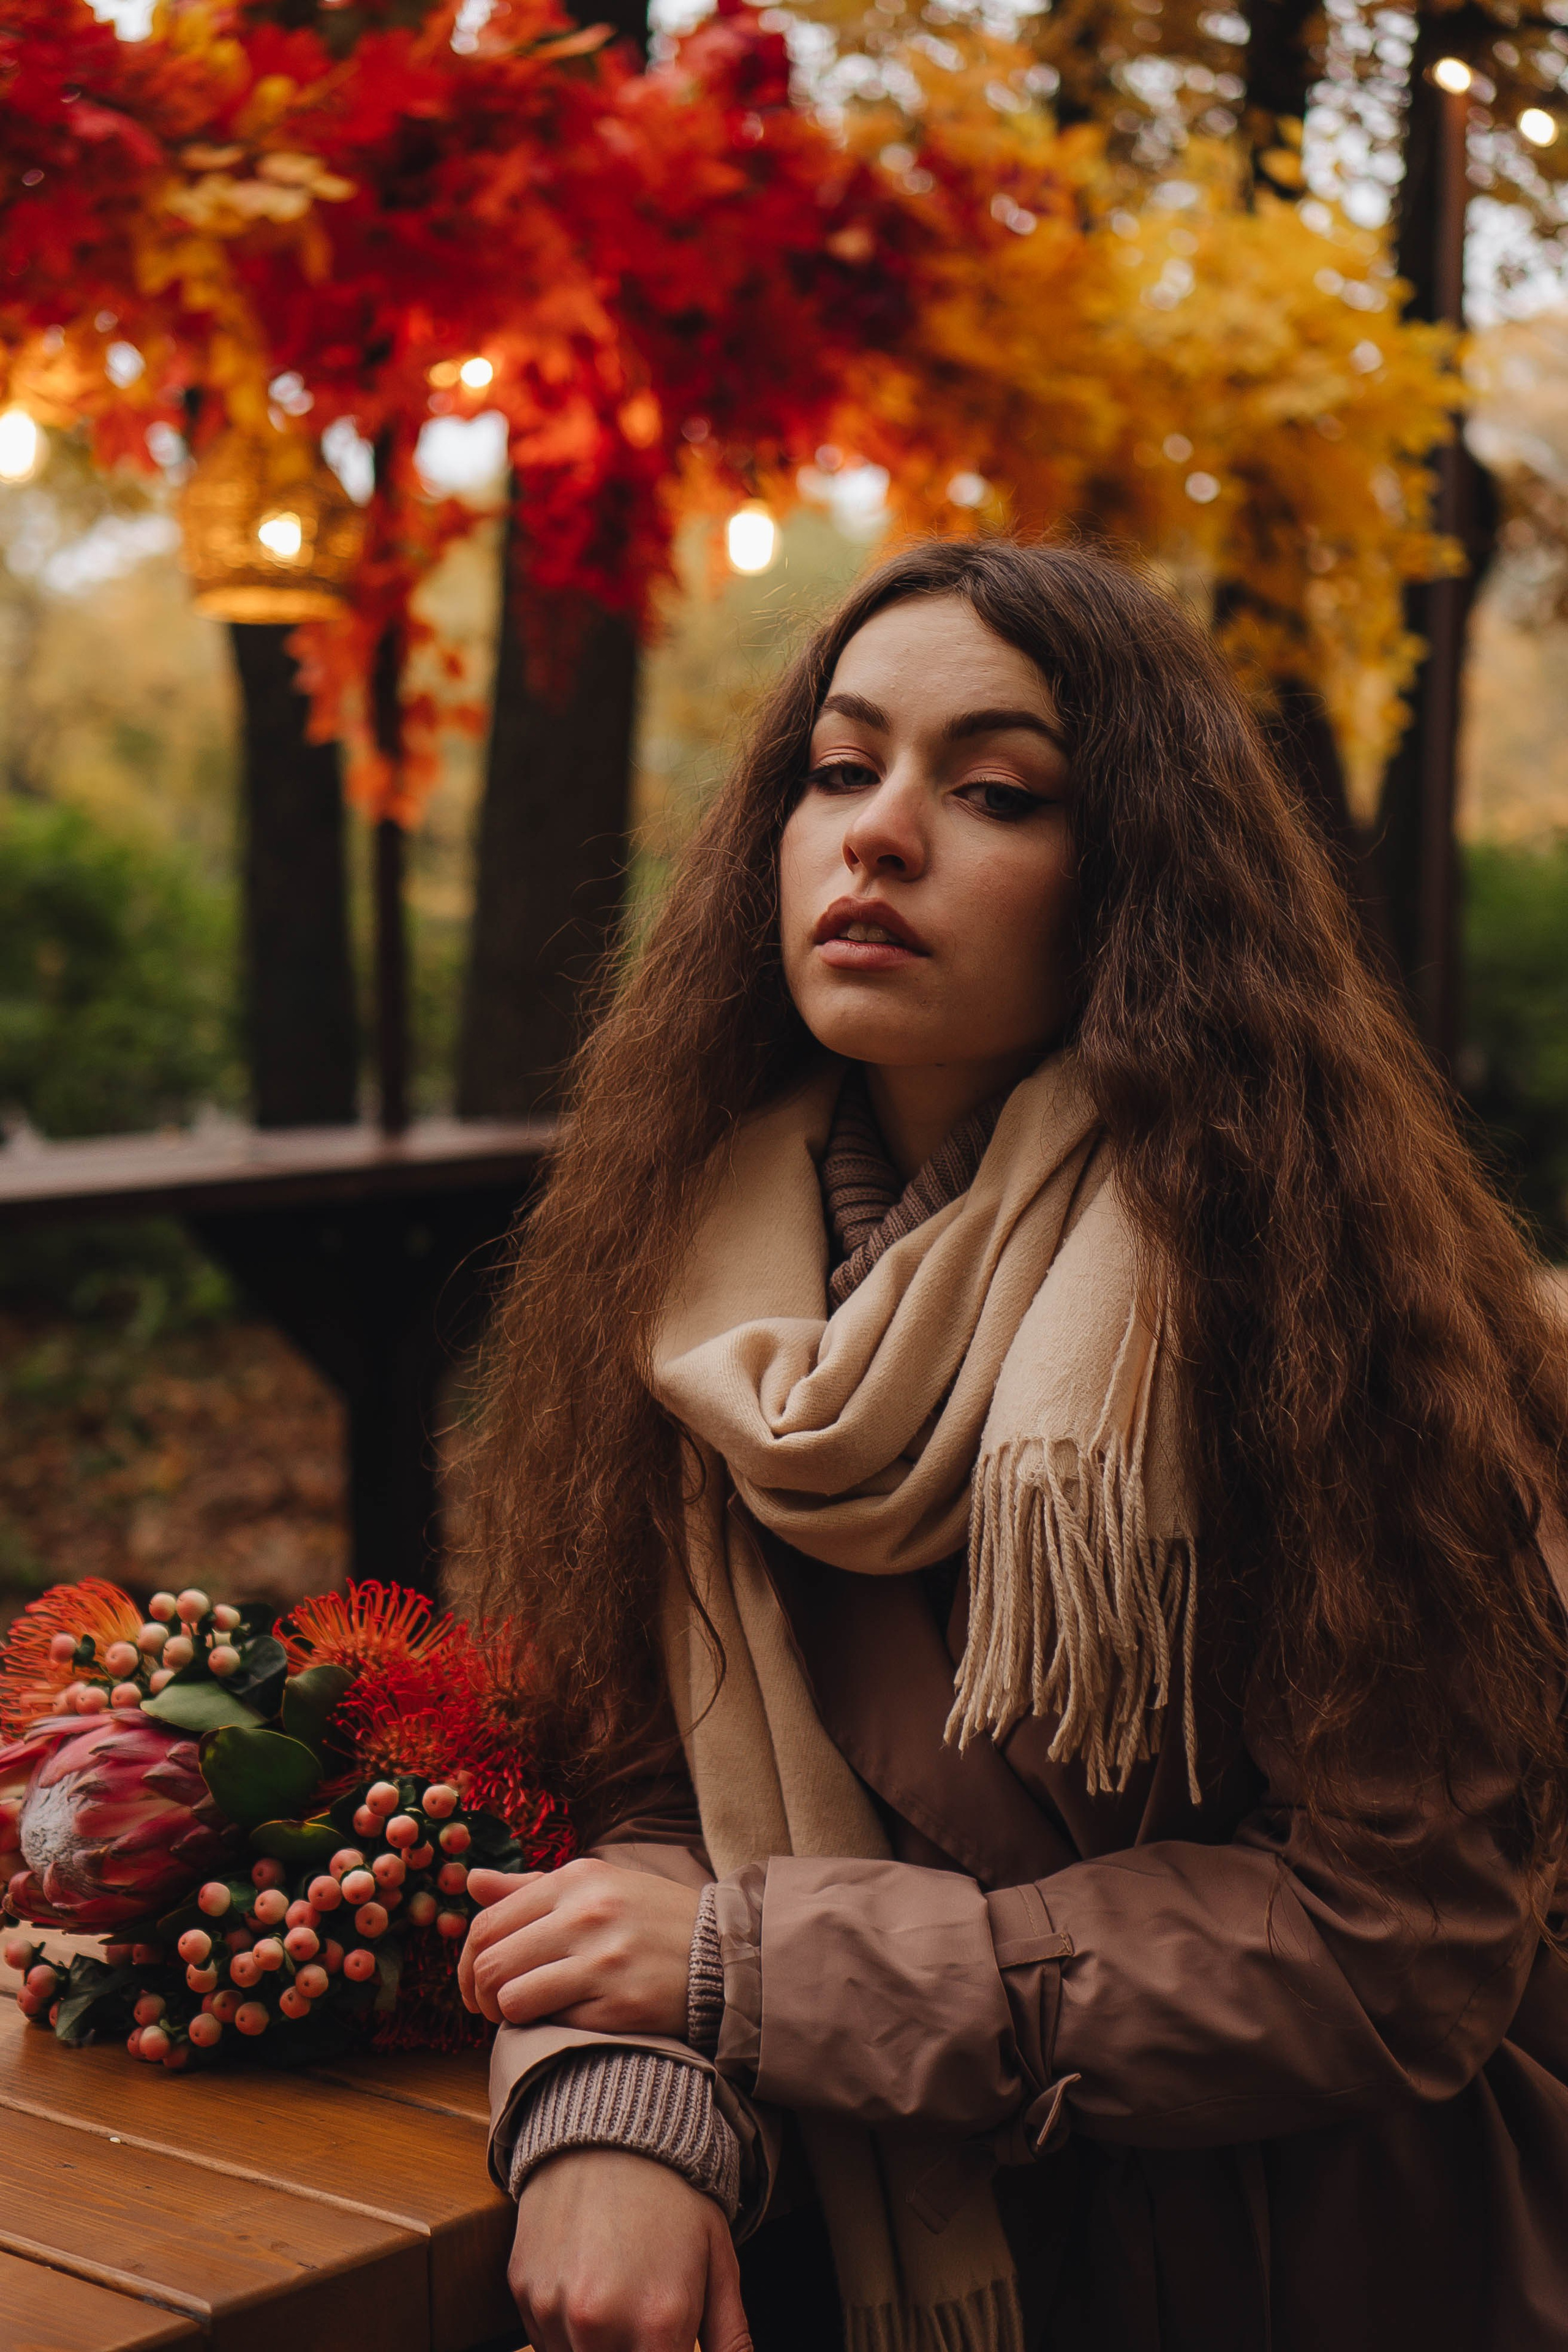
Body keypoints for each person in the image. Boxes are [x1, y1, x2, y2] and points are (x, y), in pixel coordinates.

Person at [456, 538, 1568, 2352]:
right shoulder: (677, 1300)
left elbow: (1403, 1945)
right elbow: (639, 1815)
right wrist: (617, 2117)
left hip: (1324, 2262)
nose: (879, 835)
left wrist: (757, 1974)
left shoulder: (1306, 1301)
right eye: (839, 768)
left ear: (1138, 884)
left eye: (993, 792)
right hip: (873, 2229)